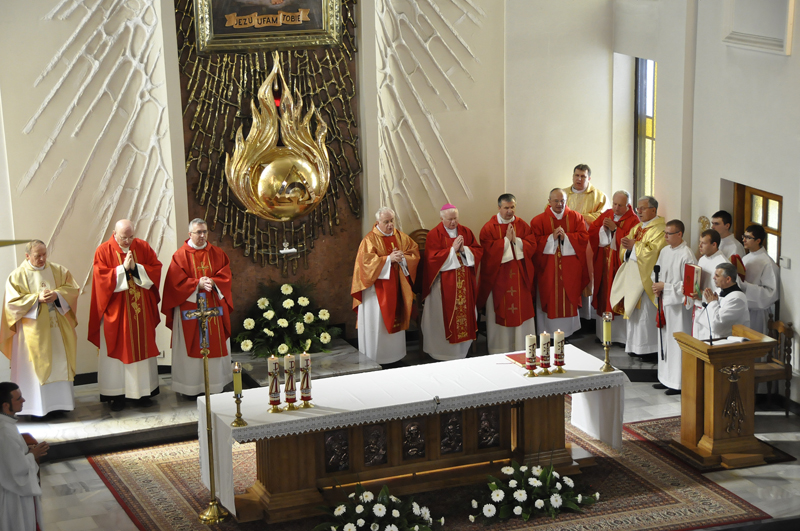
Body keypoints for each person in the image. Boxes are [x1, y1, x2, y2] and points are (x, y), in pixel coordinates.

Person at [88, 219, 162, 411]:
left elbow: (156, 268)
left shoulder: (142, 247)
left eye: (131, 236)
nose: (128, 241)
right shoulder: (103, 251)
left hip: (140, 312)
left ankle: (143, 392)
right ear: (114, 233)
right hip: (117, 313)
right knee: (116, 352)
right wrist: (122, 269)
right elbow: (100, 279)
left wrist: (136, 268)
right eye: (123, 237)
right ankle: (116, 394)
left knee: (142, 348)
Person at [0, 241, 79, 416]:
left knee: (59, 363)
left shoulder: (59, 270)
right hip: (31, 335)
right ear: (27, 256)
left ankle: (61, 405)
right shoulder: (17, 276)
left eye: (44, 254)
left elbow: (73, 289)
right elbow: (11, 305)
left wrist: (57, 295)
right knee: (34, 370)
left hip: (57, 331)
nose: (42, 259)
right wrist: (37, 299)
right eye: (38, 256)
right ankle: (36, 409)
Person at [162, 219, 233, 397]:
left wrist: (213, 282)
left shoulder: (217, 253)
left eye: (204, 232)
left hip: (213, 309)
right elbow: (174, 284)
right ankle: (190, 388)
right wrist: (196, 284)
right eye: (198, 232)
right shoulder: (180, 256)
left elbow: (226, 276)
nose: (202, 236)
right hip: (189, 309)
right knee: (191, 345)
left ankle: (215, 384)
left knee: (214, 343)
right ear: (190, 234)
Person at [352, 207, 420, 364]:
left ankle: (395, 357)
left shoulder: (401, 237)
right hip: (376, 292)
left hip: (397, 288)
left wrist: (403, 258)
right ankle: (375, 358)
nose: (390, 225)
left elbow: (414, 253)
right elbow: (365, 264)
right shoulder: (369, 240)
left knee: (396, 321)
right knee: (377, 325)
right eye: (386, 222)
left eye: (392, 221)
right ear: (378, 222)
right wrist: (389, 259)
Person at [421, 204, 483, 360]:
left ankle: (462, 351)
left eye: (455, 218)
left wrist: (464, 250)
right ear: (441, 218)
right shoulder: (434, 234)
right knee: (441, 318)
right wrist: (452, 250)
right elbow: (431, 259)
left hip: (464, 283)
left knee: (465, 316)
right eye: (450, 219)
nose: (453, 222)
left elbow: (478, 250)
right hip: (442, 285)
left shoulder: (466, 231)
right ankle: (441, 353)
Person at [477, 194, 537, 354]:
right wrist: (505, 241)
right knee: (501, 311)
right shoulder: (489, 228)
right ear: (499, 208)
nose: (510, 211)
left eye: (512, 207)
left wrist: (516, 241)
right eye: (506, 208)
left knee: (522, 310)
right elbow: (487, 252)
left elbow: (532, 245)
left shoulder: (522, 225)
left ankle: (521, 347)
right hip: (498, 279)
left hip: (520, 277)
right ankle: (501, 348)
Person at [609, 196, 667, 358]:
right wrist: (627, 248)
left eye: (643, 208)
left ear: (653, 210)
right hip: (633, 277)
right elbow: (625, 248)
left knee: (645, 315)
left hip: (646, 278)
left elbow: (656, 251)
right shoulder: (637, 227)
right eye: (638, 208)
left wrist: (634, 246)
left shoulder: (661, 229)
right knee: (634, 313)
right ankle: (634, 346)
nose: (639, 211)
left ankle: (649, 349)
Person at [530, 188, 589, 337]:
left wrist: (566, 237)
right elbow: (533, 243)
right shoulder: (538, 220)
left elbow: (583, 237)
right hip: (548, 269)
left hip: (570, 269)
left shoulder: (576, 217)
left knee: (569, 296)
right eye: (556, 200)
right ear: (549, 201)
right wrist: (551, 238)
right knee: (550, 296)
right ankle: (548, 334)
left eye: (562, 200)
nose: (559, 204)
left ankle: (568, 333)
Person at [651, 220, 696, 395]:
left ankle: (678, 383)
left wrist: (666, 287)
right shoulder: (664, 251)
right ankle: (665, 378)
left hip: (678, 308)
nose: (665, 237)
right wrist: (657, 286)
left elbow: (689, 285)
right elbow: (656, 273)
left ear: (679, 234)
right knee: (665, 340)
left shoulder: (687, 255)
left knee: (676, 343)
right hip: (665, 303)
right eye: (665, 233)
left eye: (669, 234)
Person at [588, 190, 639, 344]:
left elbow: (633, 242)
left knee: (617, 295)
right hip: (603, 263)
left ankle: (619, 337)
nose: (616, 208)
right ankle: (602, 335)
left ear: (628, 205)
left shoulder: (634, 220)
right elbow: (592, 231)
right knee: (604, 294)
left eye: (620, 205)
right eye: (614, 204)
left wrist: (616, 230)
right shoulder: (607, 214)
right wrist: (602, 230)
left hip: (619, 266)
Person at [0, 382, 49, 531]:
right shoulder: (5, 431)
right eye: (18, 398)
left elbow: (9, 456)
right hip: (14, 496)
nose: (23, 400)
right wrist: (33, 455)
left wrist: (26, 450)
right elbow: (17, 469)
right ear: (5, 405)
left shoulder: (6, 424)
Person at [563, 164, 607, 320]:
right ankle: (572, 313)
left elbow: (602, 216)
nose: (579, 179)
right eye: (577, 175)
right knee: (571, 273)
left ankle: (588, 316)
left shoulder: (598, 196)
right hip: (568, 242)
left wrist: (579, 217)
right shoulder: (563, 194)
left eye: (583, 176)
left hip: (588, 242)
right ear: (572, 176)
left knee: (589, 272)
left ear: (589, 178)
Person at [740, 224, 780, 335]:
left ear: (758, 241)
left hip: (757, 313)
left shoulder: (768, 263)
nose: (744, 240)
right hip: (744, 308)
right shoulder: (746, 258)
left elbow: (771, 293)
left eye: (748, 237)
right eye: (744, 236)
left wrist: (745, 286)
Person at [692, 230, 729, 342]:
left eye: (703, 243)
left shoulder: (723, 264)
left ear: (714, 244)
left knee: (707, 344)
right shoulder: (702, 259)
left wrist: (703, 295)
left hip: (712, 312)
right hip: (700, 308)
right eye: (700, 242)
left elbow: (724, 291)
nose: (700, 246)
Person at [696, 263, 750, 338]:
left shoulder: (737, 299)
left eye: (717, 276)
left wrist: (712, 302)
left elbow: (717, 326)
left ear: (728, 279)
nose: (714, 278)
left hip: (729, 342)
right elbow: (703, 317)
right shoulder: (718, 291)